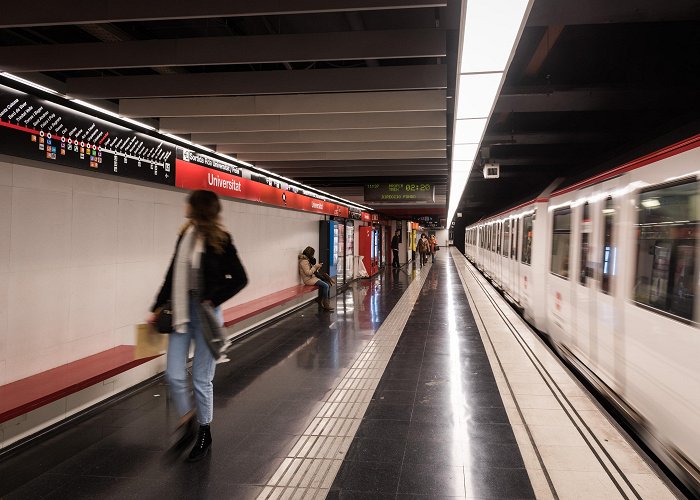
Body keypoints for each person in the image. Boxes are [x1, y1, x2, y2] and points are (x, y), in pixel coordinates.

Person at [149, 190, 248, 462]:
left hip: (206, 316)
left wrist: (214, 297)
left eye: (189, 203)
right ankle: (187, 419)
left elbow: (239, 278)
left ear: (199, 208)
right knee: (173, 374)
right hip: (181, 313)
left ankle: (204, 430)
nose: (185, 205)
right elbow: (171, 275)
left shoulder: (222, 241)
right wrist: (156, 307)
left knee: (202, 379)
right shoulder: (185, 237)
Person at [299, 246, 334, 311]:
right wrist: (315, 267)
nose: (313, 256)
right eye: (312, 254)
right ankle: (325, 304)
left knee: (327, 283)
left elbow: (311, 270)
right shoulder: (304, 261)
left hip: (312, 278)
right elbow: (308, 273)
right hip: (308, 280)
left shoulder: (307, 260)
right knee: (325, 285)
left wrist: (317, 267)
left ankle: (319, 299)